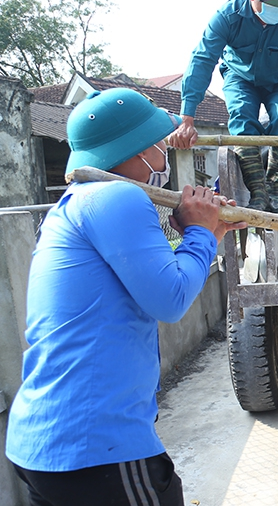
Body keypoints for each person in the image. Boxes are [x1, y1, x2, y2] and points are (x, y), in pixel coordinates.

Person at [5, 88, 246, 506]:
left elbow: (150, 279)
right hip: (95, 445)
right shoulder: (117, 196)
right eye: (158, 147)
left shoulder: (76, 204)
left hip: (47, 444)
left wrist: (207, 234)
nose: (162, 159)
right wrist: (200, 234)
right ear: (136, 151)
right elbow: (171, 298)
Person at [168, 0, 278, 214]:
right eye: (272, 5)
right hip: (240, 77)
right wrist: (187, 117)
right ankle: (257, 191)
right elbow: (202, 61)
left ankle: (276, 189)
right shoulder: (227, 17)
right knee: (241, 118)